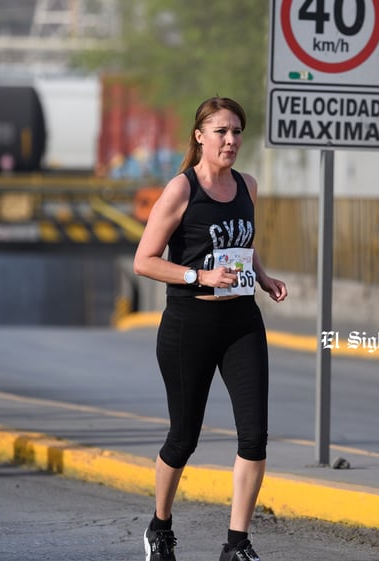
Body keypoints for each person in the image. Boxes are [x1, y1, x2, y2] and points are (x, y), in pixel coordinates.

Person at [133, 97, 288, 561]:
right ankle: (160, 527)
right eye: (221, 131)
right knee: (184, 438)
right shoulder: (181, 190)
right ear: (199, 136)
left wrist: (262, 275)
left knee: (254, 437)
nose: (231, 140)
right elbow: (144, 261)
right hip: (189, 324)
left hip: (241, 320)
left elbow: (244, 241)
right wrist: (198, 276)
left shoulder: (248, 185)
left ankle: (237, 544)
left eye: (237, 131)